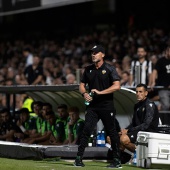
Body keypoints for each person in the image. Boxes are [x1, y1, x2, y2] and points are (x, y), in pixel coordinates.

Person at [74, 44, 122, 168]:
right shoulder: (88, 69)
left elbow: (117, 86)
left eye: (96, 52)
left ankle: (116, 160)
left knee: (112, 132)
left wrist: (101, 92)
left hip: (107, 106)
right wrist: (84, 93)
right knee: (86, 130)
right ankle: (78, 158)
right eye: (92, 53)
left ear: (103, 54)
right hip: (93, 107)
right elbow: (81, 84)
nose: (93, 55)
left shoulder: (110, 68)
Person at [119, 84, 159, 153]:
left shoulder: (149, 105)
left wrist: (128, 131)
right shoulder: (137, 105)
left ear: (146, 93)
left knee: (123, 139)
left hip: (147, 132)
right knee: (111, 138)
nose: (138, 94)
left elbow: (146, 125)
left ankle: (139, 154)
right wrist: (125, 130)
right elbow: (134, 123)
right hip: (138, 131)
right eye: (137, 92)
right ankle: (123, 157)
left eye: (140, 92)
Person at [151, 46, 170, 111]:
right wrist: (153, 82)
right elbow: (154, 71)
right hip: (163, 88)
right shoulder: (161, 61)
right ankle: (163, 119)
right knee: (166, 106)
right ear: (167, 52)